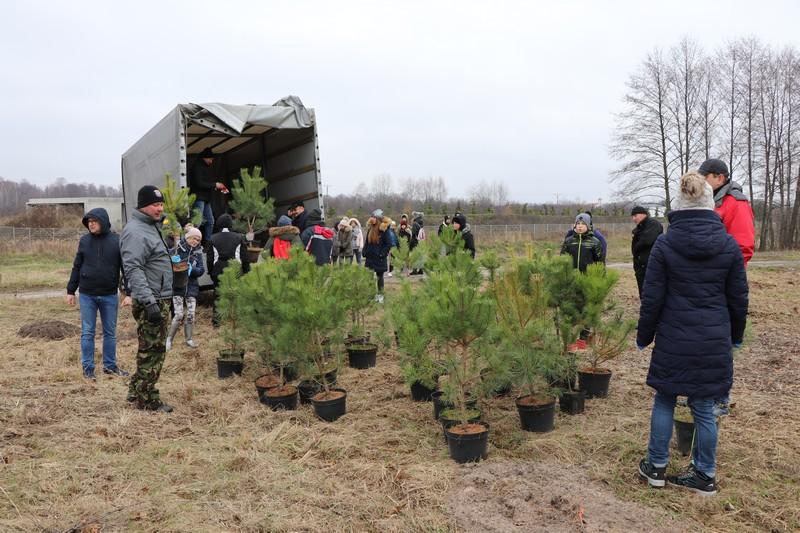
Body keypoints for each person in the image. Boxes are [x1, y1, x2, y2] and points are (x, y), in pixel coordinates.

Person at [636, 172, 748, 496]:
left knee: (665, 398)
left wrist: (644, 336)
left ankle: (656, 467)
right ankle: (704, 474)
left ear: (679, 204)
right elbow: (738, 299)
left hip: (674, 337)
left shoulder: (665, 244)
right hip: (713, 339)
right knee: (703, 405)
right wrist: (735, 336)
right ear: (710, 204)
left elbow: (652, 297)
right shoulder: (727, 245)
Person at [120, 185, 174, 412]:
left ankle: (135, 392)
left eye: (161, 204)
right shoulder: (136, 232)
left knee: (149, 348)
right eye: (155, 205)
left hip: (159, 296)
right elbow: (133, 269)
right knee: (153, 351)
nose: (159, 209)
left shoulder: (150, 226)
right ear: (143, 205)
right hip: (151, 299)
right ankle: (147, 399)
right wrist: (149, 302)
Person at [66, 208, 131, 380]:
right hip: (87, 295)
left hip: (109, 295)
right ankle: (88, 369)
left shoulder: (117, 241)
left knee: (110, 333)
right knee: (88, 332)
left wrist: (128, 293)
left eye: (94, 221)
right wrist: (70, 290)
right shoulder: (84, 241)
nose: (91, 224)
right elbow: (77, 266)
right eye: (89, 222)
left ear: (103, 221)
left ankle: (110, 366)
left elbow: (126, 268)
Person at [698, 158, 755, 266]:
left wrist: (725, 270)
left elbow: (743, 246)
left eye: (704, 177)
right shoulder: (708, 201)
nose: (700, 182)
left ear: (720, 178)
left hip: (724, 270)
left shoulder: (737, 203)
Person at [166, 226, 205, 351]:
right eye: (194, 238)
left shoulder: (197, 252)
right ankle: (169, 340)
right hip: (178, 287)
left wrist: (192, 270)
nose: (196, 242)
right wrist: (174, 264)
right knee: (178, 314)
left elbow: (201, 270)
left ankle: (189, 339)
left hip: (192, 287)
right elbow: (168, 266)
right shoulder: (176, 250)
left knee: (191, 314)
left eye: (198, 240)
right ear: (188, 237)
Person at [210, 213, 250, 325]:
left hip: (219, 270)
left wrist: (211, 272)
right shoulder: (239, 237)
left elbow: (210, 258)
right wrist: (246, 271)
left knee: (218, 295)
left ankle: (217, 321)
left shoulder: (213, 238)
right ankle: (237, 320)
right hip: (235, 269)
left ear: (218, 224)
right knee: (237, 295)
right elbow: (244, 257)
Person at [188, 148, 227, 241]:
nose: (211, 161)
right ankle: (192, 242)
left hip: (205, 199)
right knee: (197, 222)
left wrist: (215, 185)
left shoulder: (205, 167)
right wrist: (215, 185)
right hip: (199, 198)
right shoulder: (197, 167)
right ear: (204, 158)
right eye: (210, 159)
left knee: (210, 221)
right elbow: (199, 183)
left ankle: (208, 243)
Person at [631, 206, 664, 297]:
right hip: (640, 266)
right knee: (643, 292)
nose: (633, 219)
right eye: (632, 217)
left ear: (643, 214)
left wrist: (636, 247)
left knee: (651, 292)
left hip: (650, 265)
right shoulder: (640, 227)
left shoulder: (653, 224)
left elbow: (647, 240)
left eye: (635, 216)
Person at [364, 209, 394, 303]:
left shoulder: (384, 230)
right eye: (371, 217)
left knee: (379, 277)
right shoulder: (370, 228)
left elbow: (388, 244)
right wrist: (365, 252)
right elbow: (367, 242)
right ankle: (371, 295)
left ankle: (380, 296)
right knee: (369, 277)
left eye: (374, 217)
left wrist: (382, 254)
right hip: (370, 257)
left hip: (379, 258)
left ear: (378, 218)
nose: (372, 219)